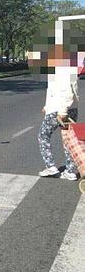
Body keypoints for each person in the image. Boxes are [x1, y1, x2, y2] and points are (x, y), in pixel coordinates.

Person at [37, 44, 79, 180]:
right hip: (70, 108)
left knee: (43, 136)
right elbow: (53, 91)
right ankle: (70, 171)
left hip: (61, 109)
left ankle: (51, 167)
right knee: (68, 139)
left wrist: (62, 111)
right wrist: (46, 105)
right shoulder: (68, 68)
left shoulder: (61, 70)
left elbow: (66, 91)